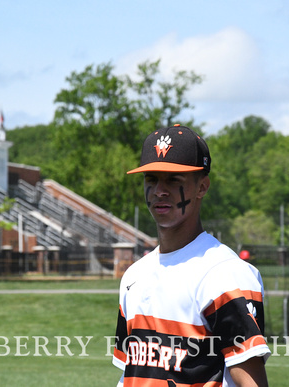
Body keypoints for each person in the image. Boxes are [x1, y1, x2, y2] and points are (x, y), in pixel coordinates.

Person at [113, 124, 270, 387]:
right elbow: (132, 374)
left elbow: (252, 383)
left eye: (174, 180)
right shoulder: (134, 275)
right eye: (151, 178)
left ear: (202, 187)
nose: (160, 190)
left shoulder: (225, 273)